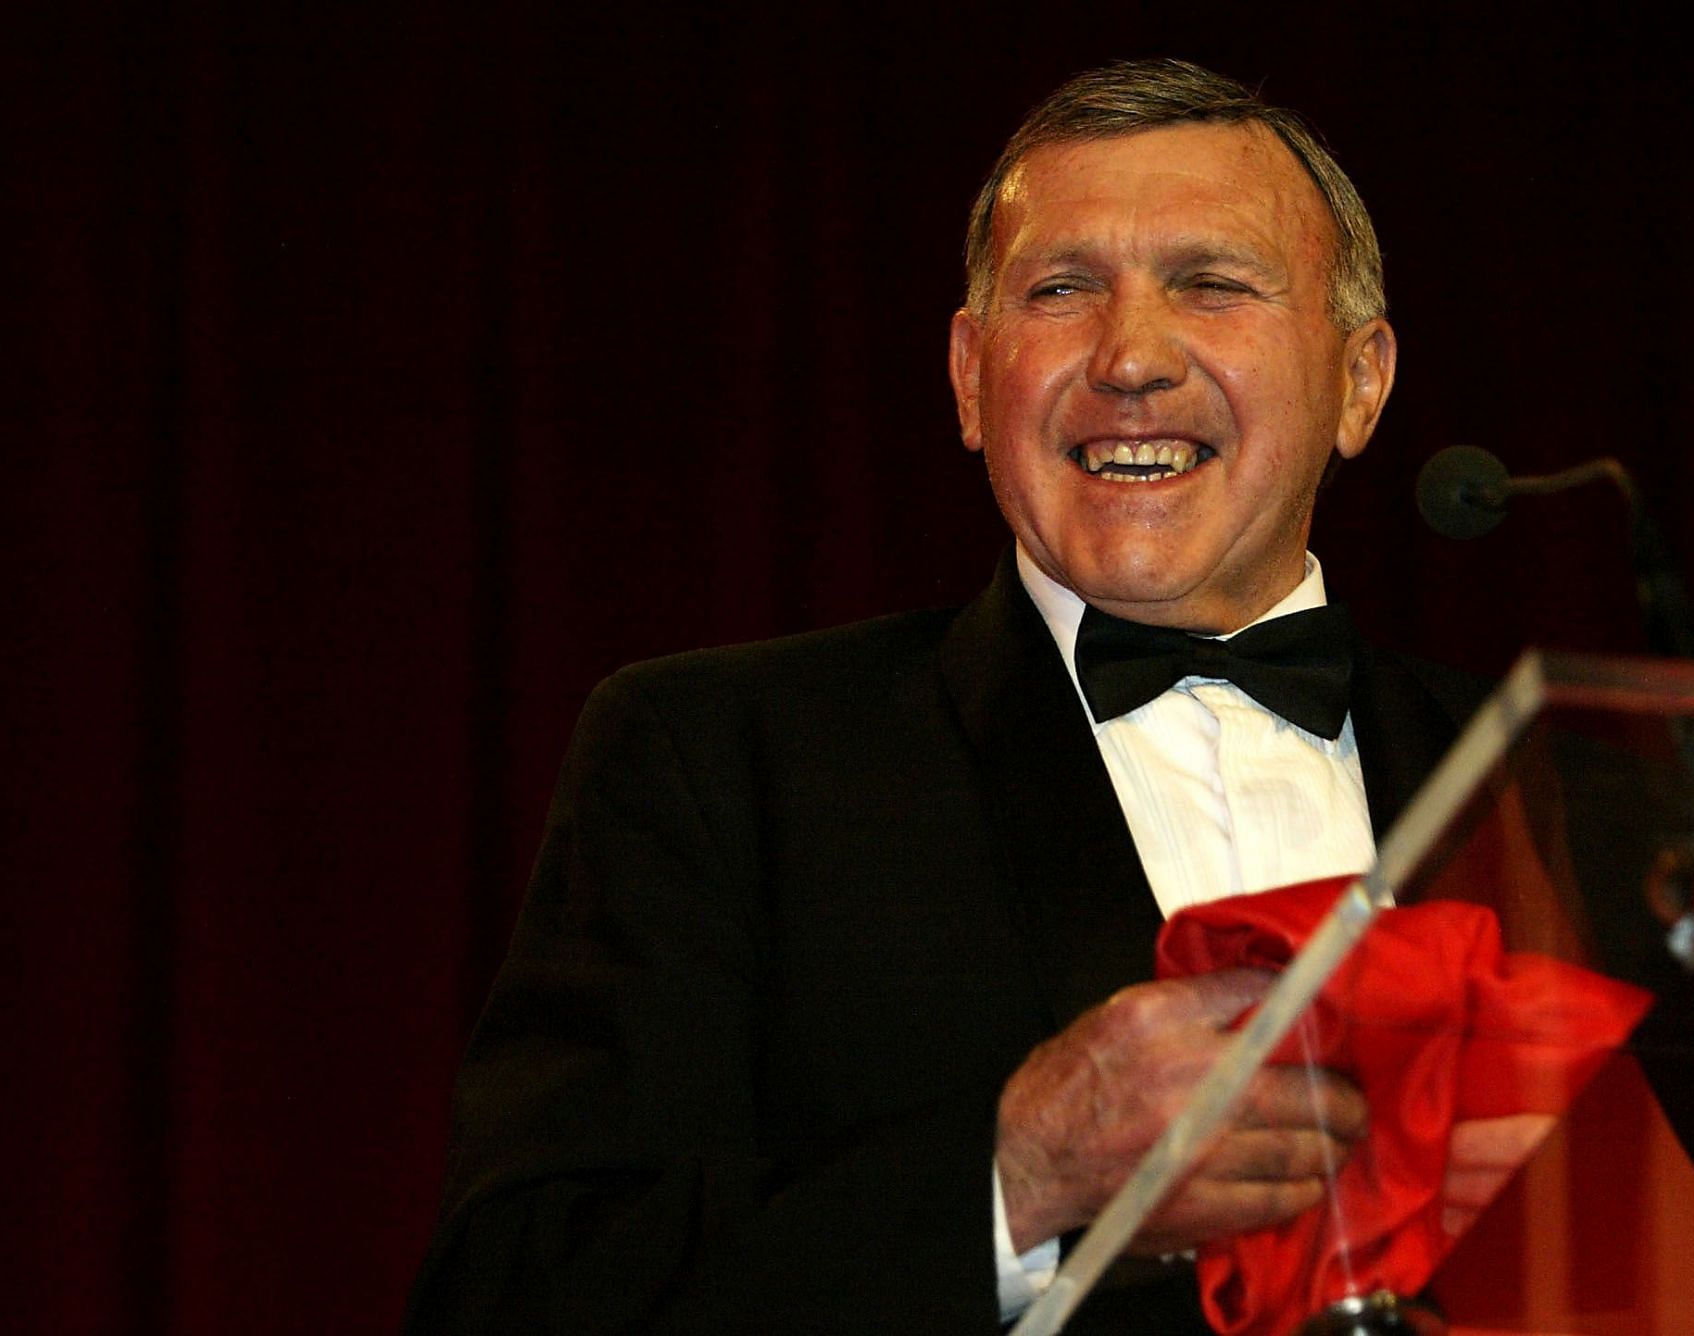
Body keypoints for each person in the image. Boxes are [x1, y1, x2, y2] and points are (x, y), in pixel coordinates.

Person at [404, 58, 1488, 1334]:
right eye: (1063, 289)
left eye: (1212, 283)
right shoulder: (723, 759)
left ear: (1361, 380)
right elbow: (522, 1292)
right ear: (972, 378)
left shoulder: (1547, 789)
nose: (1131, 356)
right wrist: (1014, 1179)